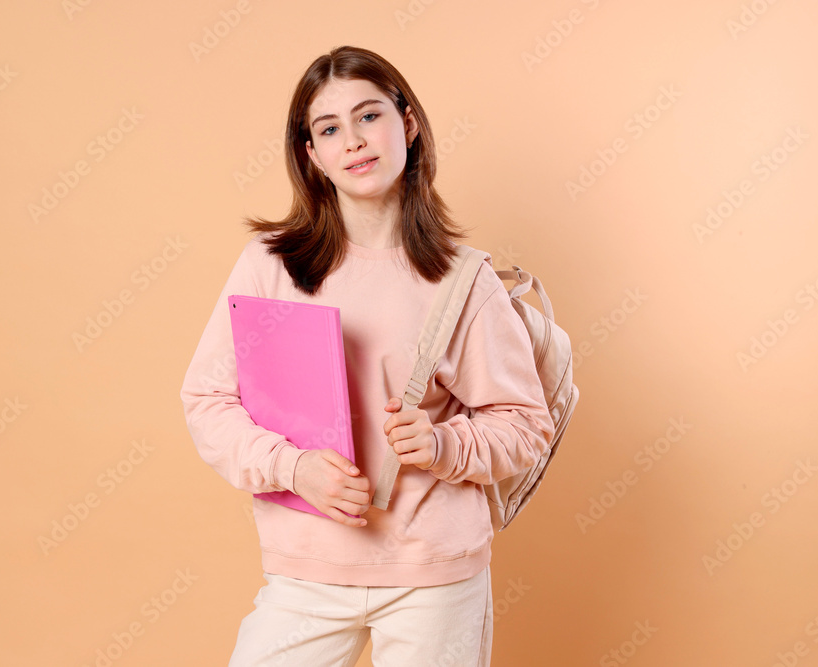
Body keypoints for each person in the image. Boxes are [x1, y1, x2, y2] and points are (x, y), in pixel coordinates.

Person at [180, 45, 555, 667]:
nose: (353, 141)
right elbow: (208, 401)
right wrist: (293, 469)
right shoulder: (270, 268)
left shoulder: (464, 281)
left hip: (434, 577)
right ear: (313, 154)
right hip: (308, 573)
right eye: (329, 128)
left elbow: (525, 422)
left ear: (407, 123)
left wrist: (442, 444)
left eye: (369, 116)